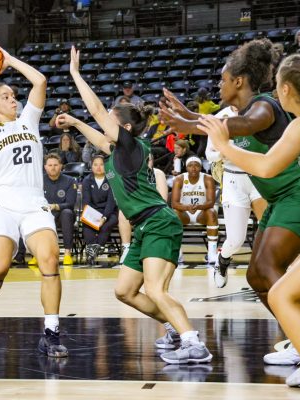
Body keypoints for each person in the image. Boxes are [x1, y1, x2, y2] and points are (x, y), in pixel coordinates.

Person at [160, 39, 300, 372]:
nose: (219, 86)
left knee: (268, 267)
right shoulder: (239, 112)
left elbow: (247, 125)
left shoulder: (264, 106)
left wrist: (194, 123)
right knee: (256, 275)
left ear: (238, 81)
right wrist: (189, 116)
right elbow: (226, 125)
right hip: (283, 198)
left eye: (223, 80)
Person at [198, 49, 300, 400]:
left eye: (276, 88)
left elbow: (264, 167)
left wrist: (222, 145)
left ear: (287, 90)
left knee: (282, 293)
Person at [56, 46, 212, 364]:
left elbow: (98, 111)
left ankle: (194, 343)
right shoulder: (117, 151)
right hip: (144, 227)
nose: (104, 127)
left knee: (155, 290)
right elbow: (96, 133)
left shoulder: (132, 145)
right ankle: (174, 328)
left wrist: (74, 74)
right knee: (125, 291)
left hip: (157, 221)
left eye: (111, 123)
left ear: (124, 129)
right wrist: (73, 121)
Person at [0, 46, 68, 358]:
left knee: (49, 262)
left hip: (35, 205)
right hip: (4, 206)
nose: (13, 99)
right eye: (5, 97)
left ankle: (51, 333)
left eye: (12, 95)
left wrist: (7, 60)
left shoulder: (28, 121)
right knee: (0, 267)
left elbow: (40, 81)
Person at [205, 106, 267, 287]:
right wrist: (224, 151)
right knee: (236, 240)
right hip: (233, 179)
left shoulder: (261, 111)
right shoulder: (220, 117)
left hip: (257, 176)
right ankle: (222, 260)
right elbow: (210, 154)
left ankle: (266, 269)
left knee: (267, 229)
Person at [171, 156, 218, 264]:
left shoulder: (208, 178)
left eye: (196, 165)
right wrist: (187, 207)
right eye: (190, 165)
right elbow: (174, 203)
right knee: (174, 213)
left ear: (201, 167)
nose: (193, 168)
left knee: (211, 212)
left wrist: (198, 207)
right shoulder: (179, 179)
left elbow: (211, 202)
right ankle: (177, 252)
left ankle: (211, 253)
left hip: (201, 212)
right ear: (186, 167)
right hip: (185, 213)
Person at [81, 154, 118, 265]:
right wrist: (92, 217)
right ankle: (93, 252)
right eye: (95, 164)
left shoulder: (111, 179)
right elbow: (87, 202)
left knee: (106, 225)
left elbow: (111, 202)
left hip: (110, 212)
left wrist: (104, 217)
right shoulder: (87, 180)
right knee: (87, 224)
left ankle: (92, 252)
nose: (98, 167)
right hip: (93, 211)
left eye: (101, 164)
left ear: (105, 166)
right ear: (91, 167)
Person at [43, 153, 77, 266]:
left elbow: (70, 204)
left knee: (67, 213)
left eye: (56, 165)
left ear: (61, 166)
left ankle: (67, 253)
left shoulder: (70, 180)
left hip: (62, 216)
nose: (53, 167)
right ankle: (38, 255)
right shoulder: (39, 181)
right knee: (36, 215)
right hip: (45, 214)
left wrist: (55, 206)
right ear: (45, 167)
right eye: (50, 165)